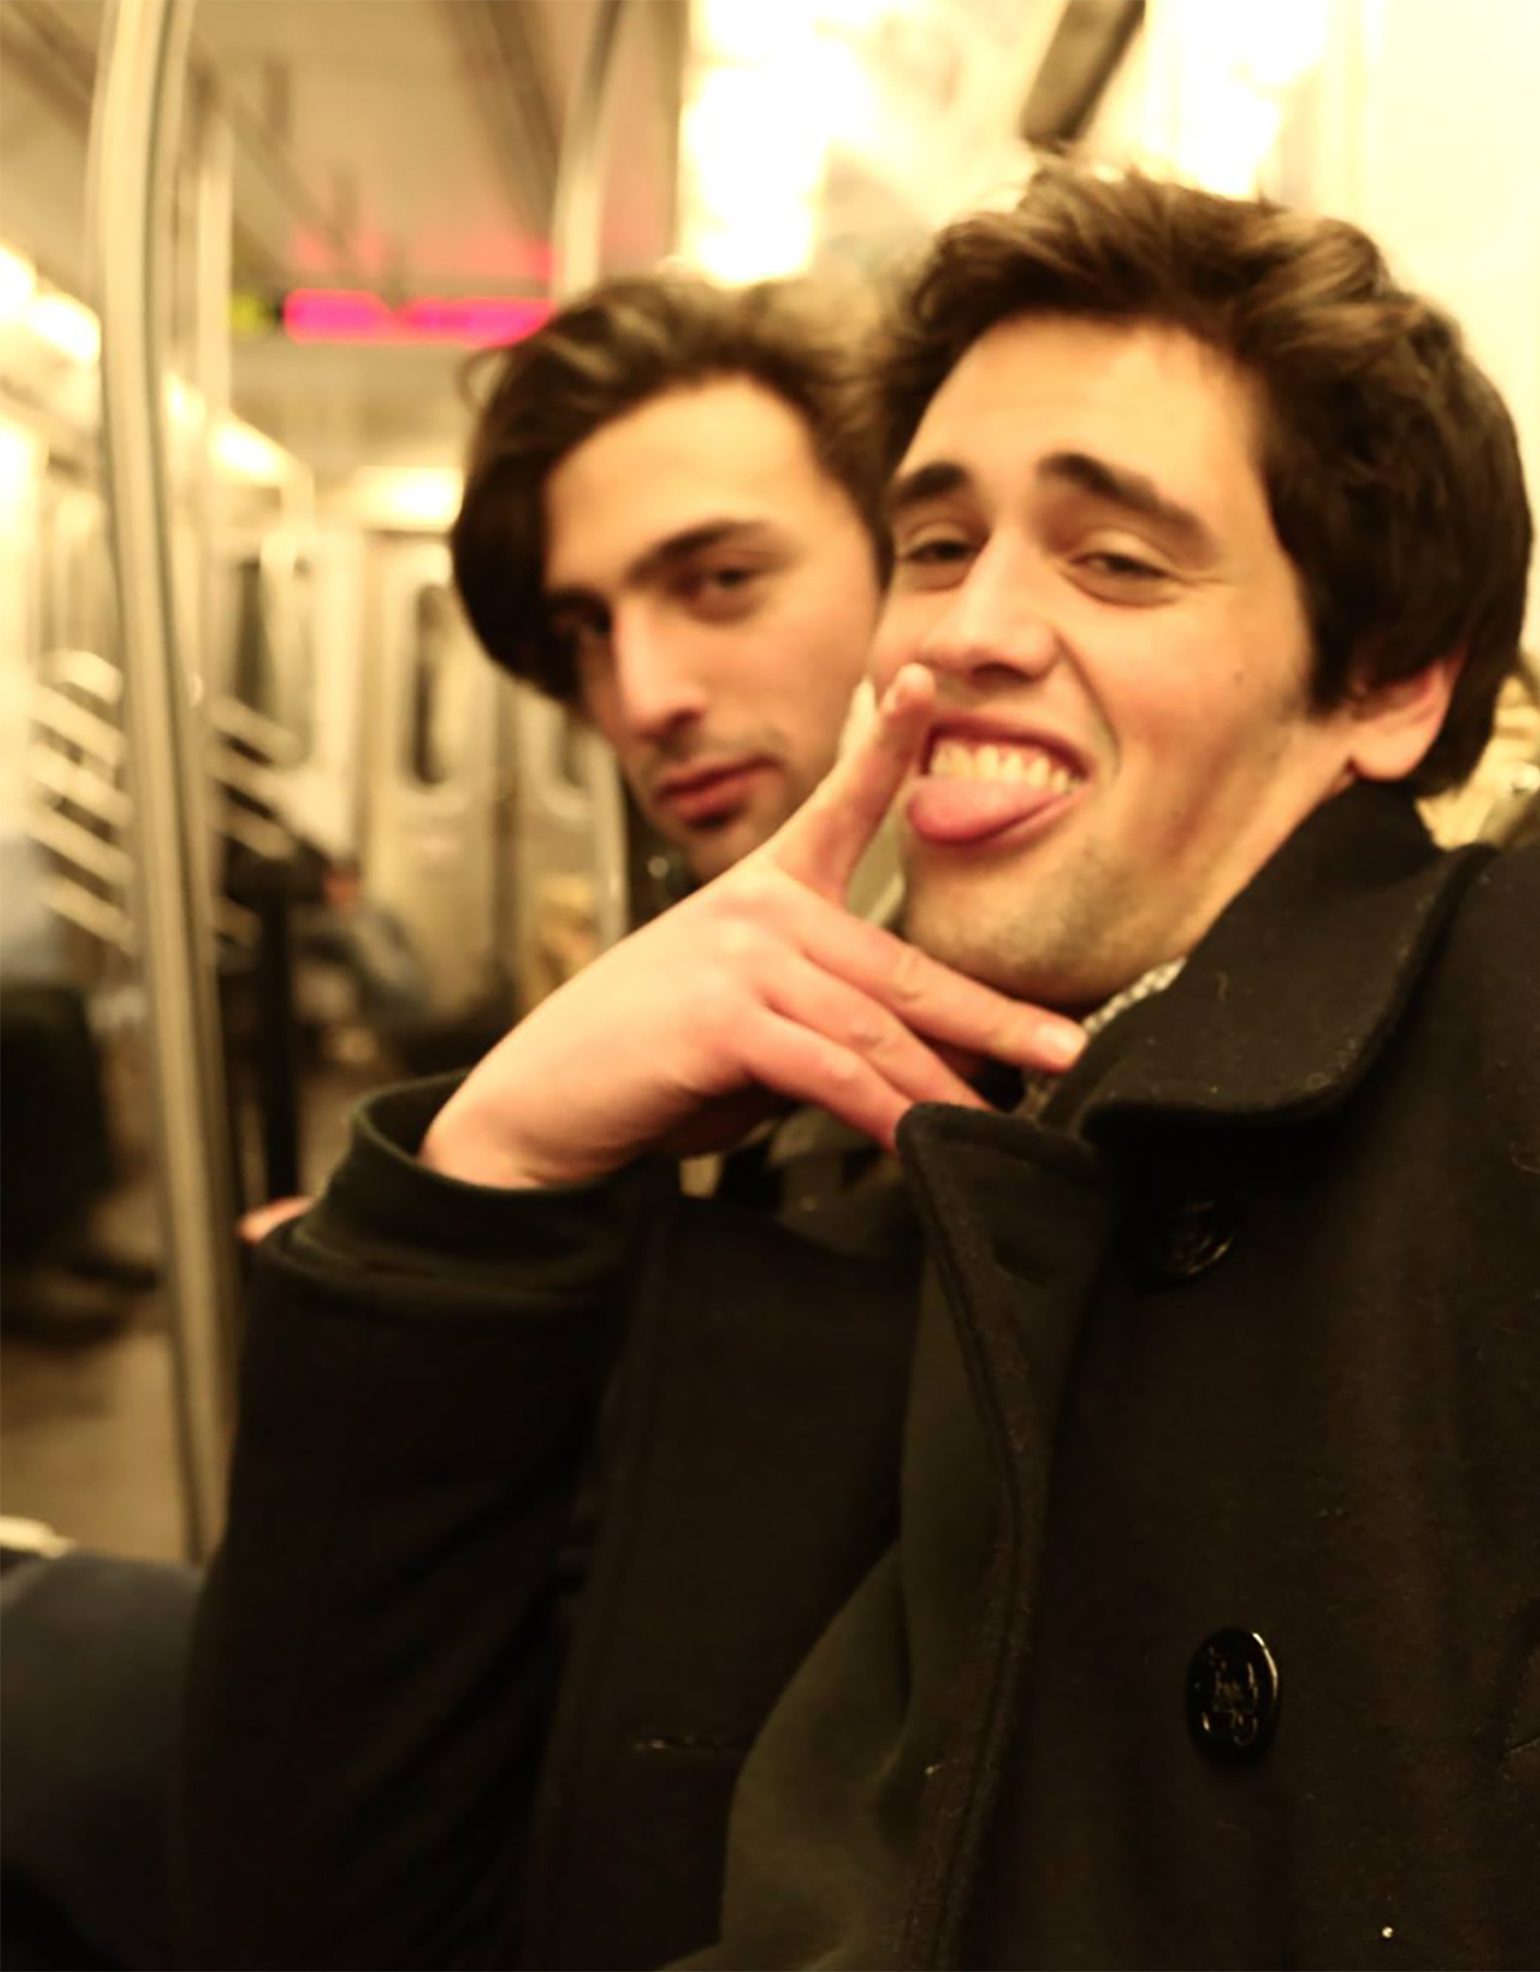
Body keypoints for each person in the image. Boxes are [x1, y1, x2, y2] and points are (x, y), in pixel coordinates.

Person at [183, 163, 1540, 1970]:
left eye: (1118, 558)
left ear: (1382, 681)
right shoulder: (825, 1184)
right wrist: (478, 1178)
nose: (964, 630)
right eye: (936, 545)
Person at [0, 269, 914, 1972]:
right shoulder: (721, 1012)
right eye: (582, 634)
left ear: (915, 562)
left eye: (719, 582)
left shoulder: (971, 1054)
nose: (641, 693)